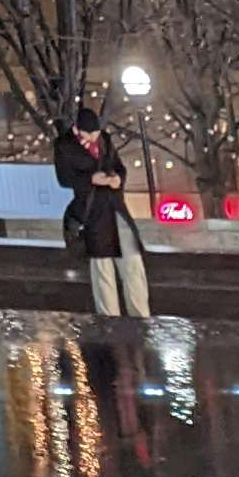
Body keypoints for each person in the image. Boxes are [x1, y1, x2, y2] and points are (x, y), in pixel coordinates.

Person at [54, 97, 152, 318]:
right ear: (79, 130)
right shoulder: (64, 145)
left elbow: (119, 167)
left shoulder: (105, 140)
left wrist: (117, 179)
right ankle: (109, 319)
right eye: (90, 134)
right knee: (102, 268)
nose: (95, 137)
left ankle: (141, 316)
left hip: (115, 207)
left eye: (97, 133)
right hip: (91, 212)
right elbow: (64, 178)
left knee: (133, 262)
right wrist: (91, 179)